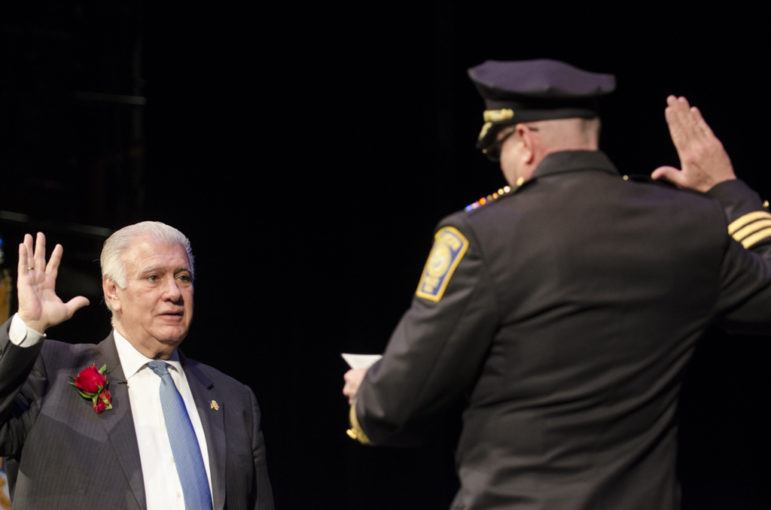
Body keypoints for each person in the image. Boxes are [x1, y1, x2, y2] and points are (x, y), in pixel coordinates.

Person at [342, 59, 771, 509]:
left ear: (524, 142)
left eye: (500, 151)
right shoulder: (689, 225)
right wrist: (727, 190)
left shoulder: (486, 235)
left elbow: (393, 407)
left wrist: (372, 390)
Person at [0, 221, 274, 510]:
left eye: (183, 277)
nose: (174, 293)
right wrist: (28, 326)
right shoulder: (51, 371)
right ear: (113, 291)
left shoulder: (235, 400)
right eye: (154, 277)